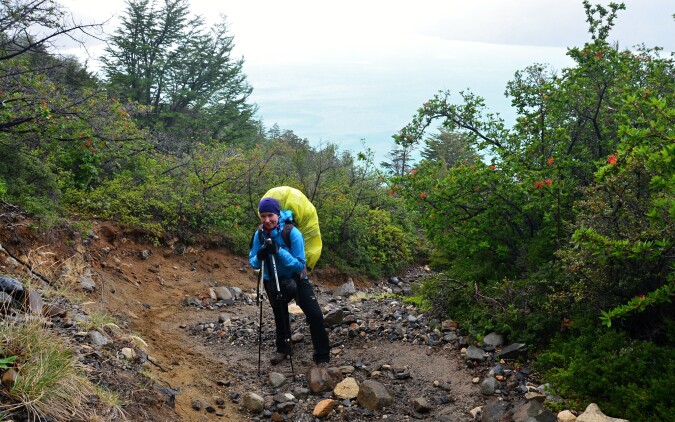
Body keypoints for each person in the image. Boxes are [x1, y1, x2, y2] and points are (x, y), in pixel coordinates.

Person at [249, 197, 330, 365]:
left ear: (278, 214)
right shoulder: (259, 234)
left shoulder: (292, 233)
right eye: (263, 216)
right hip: (272, 280)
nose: (267, 220)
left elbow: (300, 264)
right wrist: (260, 254)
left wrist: (279, 251)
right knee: (280, 317)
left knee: (315, 315)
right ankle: (283, 349)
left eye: (270, 215)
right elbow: (253, 262)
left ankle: (322, 355)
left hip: (297, 280)